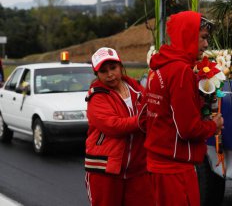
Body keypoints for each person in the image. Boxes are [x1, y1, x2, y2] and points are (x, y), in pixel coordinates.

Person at [144, 11, 224, 206]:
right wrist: (213, 125)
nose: (206, 45)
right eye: (203, 38)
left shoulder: (159, 66)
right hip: (175, 169)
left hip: (159, 164)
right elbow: (188, 129)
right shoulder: (181, 71)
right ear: (187, 35)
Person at [84, 47, 154, 206]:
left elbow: (152, 111)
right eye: (103, 71)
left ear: (121, 66)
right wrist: (141, 121)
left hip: (138, 169)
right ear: (97, 75)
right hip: (105, 169)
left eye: (113, 68)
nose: (110, 74)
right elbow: (113, 125)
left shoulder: (136, 87)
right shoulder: (96, 96)